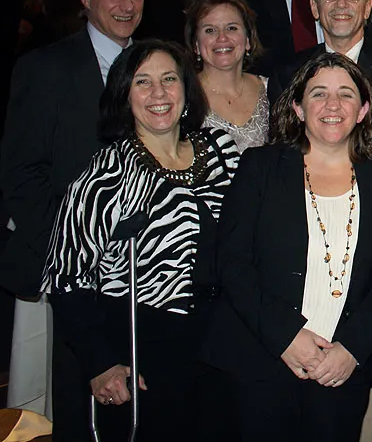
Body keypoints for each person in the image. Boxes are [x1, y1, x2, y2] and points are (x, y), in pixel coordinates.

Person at [204, 53, 372, 442]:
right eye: (319, 94)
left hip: (340, 371)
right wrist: (286, 336)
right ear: (298, 108)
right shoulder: (259, 167)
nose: (333, 105)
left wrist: (353, 348)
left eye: (346, 94)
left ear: (363, 110)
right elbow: (232, 262)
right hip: (258, 363)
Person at [42, 39, 240, 441]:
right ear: (123, 95)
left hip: (224, 341)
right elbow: (66, 279)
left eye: (169, 79)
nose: (158, 93)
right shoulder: (106, 175)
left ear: (186, 87)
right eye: (142, 82)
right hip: (144, 347)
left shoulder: (221, 151)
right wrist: (100, 363)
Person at [0, 0, 146, 440]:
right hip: (73, 270)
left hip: (145, 268)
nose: (125, 5)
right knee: (79, 402)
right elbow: (22, 173)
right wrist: (71, 249)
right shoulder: (46, 68)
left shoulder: (158, 64)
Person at [185, 0, 269, 153]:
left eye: (231, 28)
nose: (222, 38)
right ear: (196, 45)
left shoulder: (271, 90)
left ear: (248, 40)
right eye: (210, 30)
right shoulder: (183, 96)